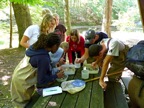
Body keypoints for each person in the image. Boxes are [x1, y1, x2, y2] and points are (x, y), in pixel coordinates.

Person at [10, 32, 64, 108]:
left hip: (19, 74)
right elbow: (41, 81)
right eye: (58, 46)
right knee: (22, 105)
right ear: (54, 46)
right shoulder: (43, 58)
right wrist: (56, 76)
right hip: (22, 81)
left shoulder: (37, 47)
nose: (58, 48)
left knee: (21, 103)